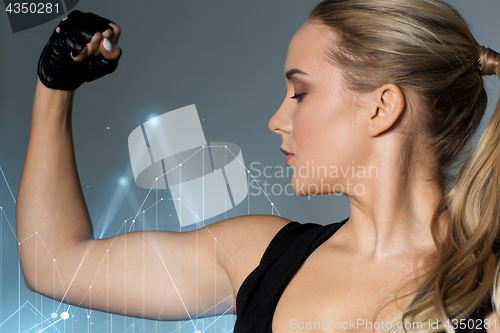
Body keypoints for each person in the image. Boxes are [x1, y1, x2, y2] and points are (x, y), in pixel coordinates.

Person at [16, 0, 500, 332]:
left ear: (381, 107)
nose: (276, 120)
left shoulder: (491, 285)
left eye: (300, 93)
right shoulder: (255, 255)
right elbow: (54, 263)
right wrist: (56, 85)